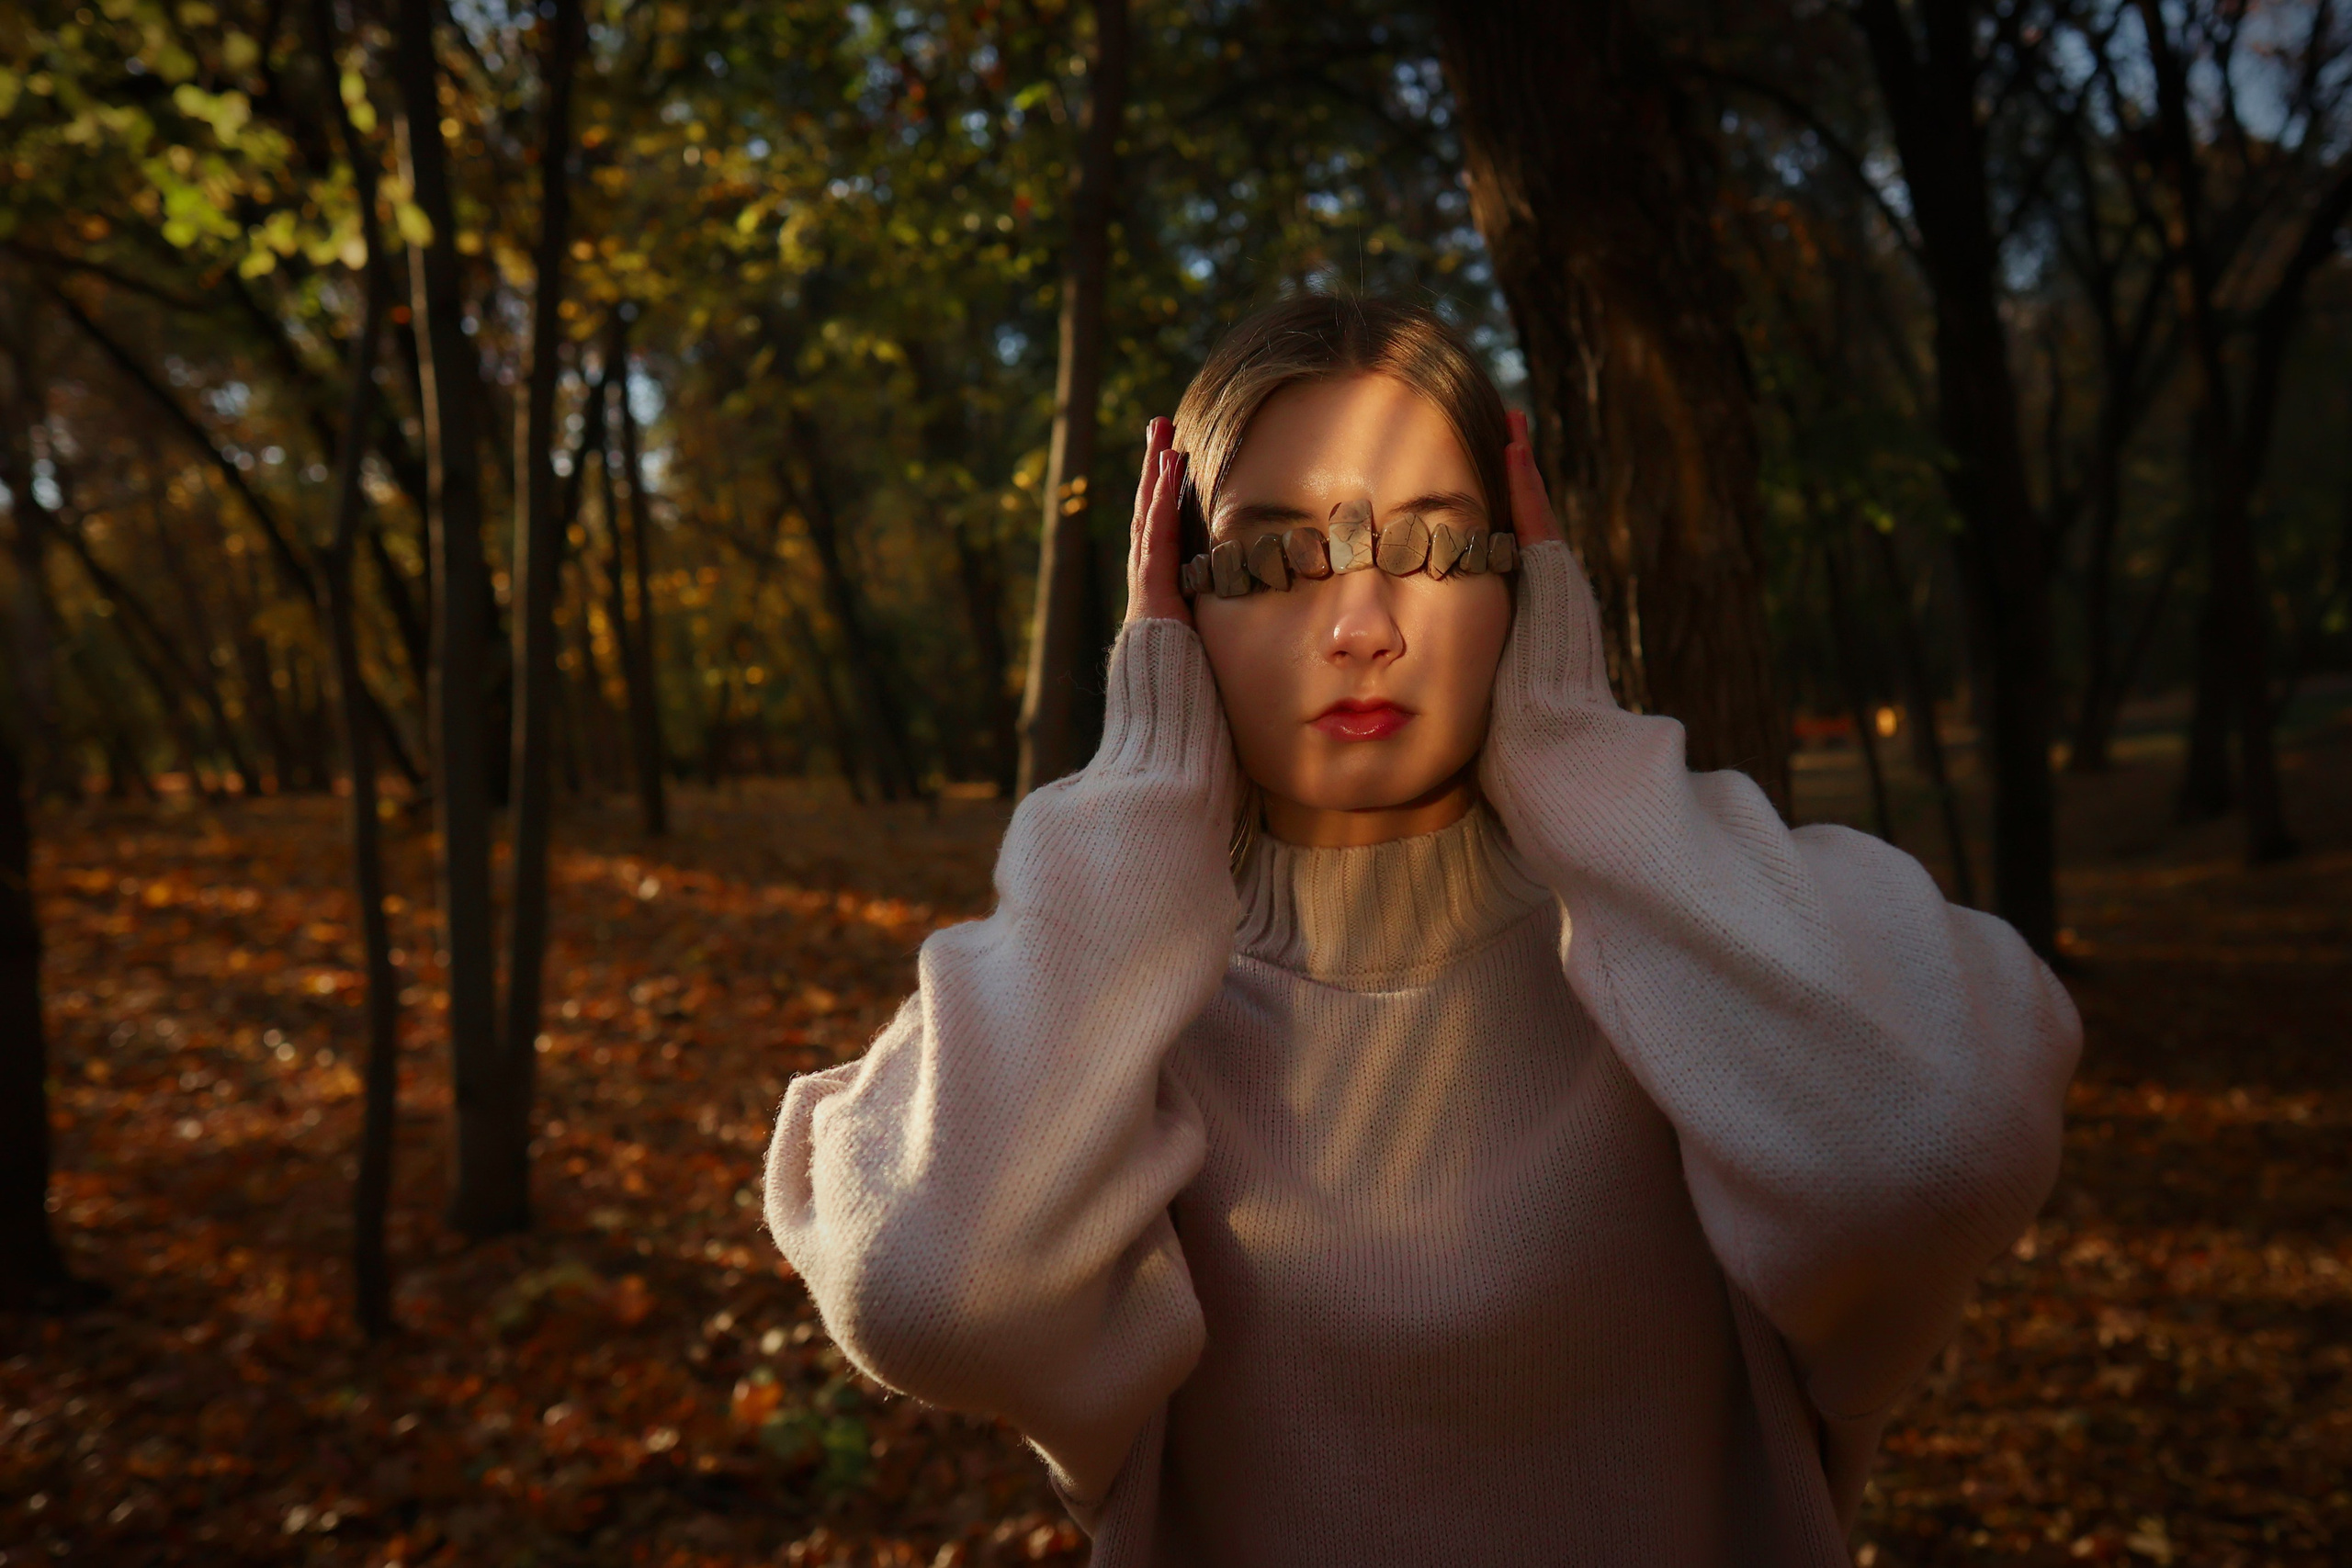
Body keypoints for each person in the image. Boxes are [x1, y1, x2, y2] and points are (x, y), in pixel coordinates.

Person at [762, 296, 2081, 1565]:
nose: (1361, 627)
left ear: (1530, 589)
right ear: (1177, 609)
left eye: (1437, 546)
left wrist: (1575, 753)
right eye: (1275, 558)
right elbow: (930, 1286)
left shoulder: (1699, 948)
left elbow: (1931, 1158)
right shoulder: (1096, 1027)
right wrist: (1143, 790)